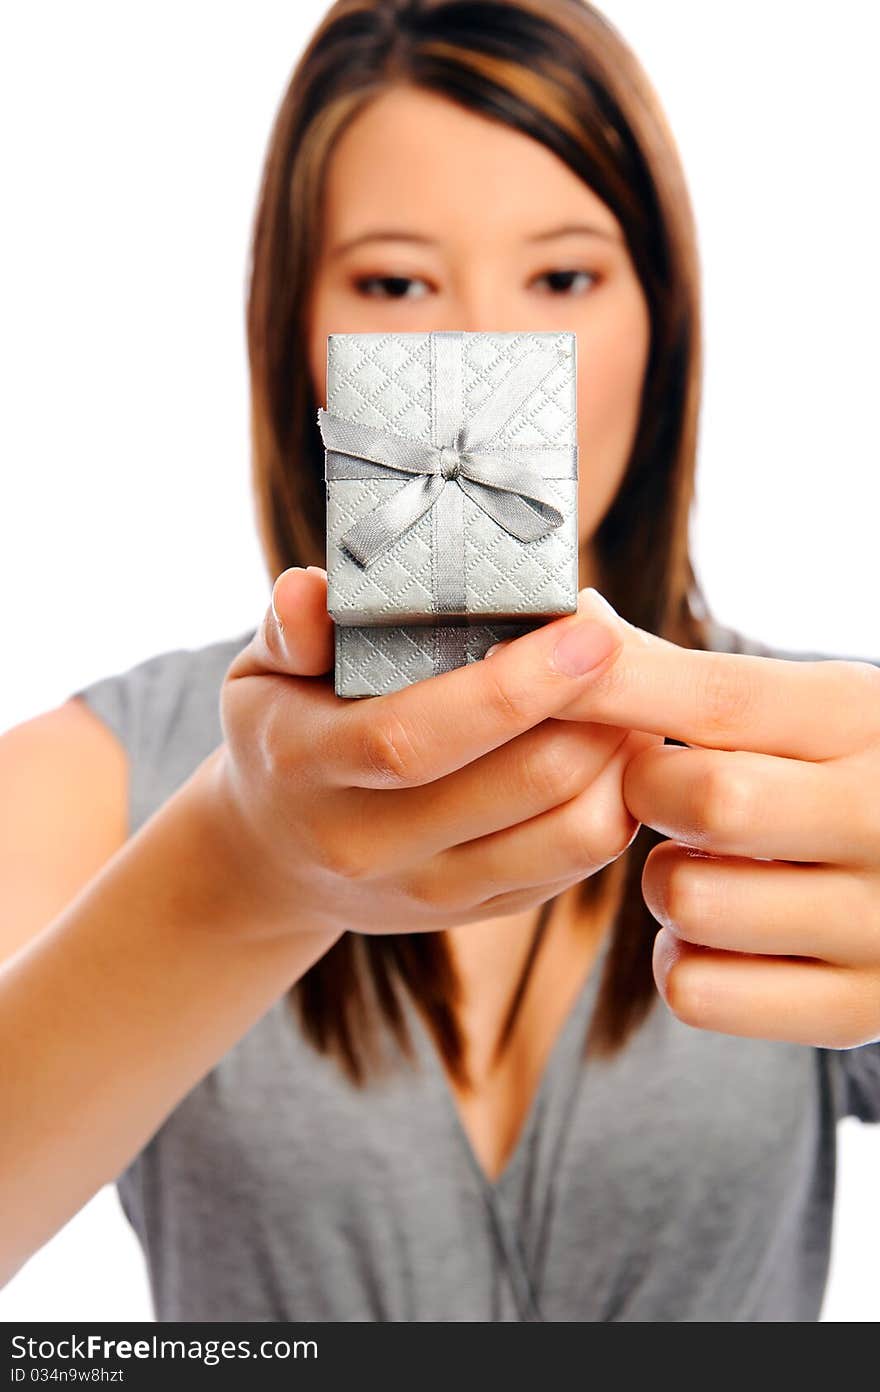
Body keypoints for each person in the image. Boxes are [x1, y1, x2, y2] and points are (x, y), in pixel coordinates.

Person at [2, 0, 879, 1322]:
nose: (487, 360)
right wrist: (239, 875)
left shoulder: (827, 770)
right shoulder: (97, 773)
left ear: (667, 320)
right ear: (294, 331)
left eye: (566, 280)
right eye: (398, 284)